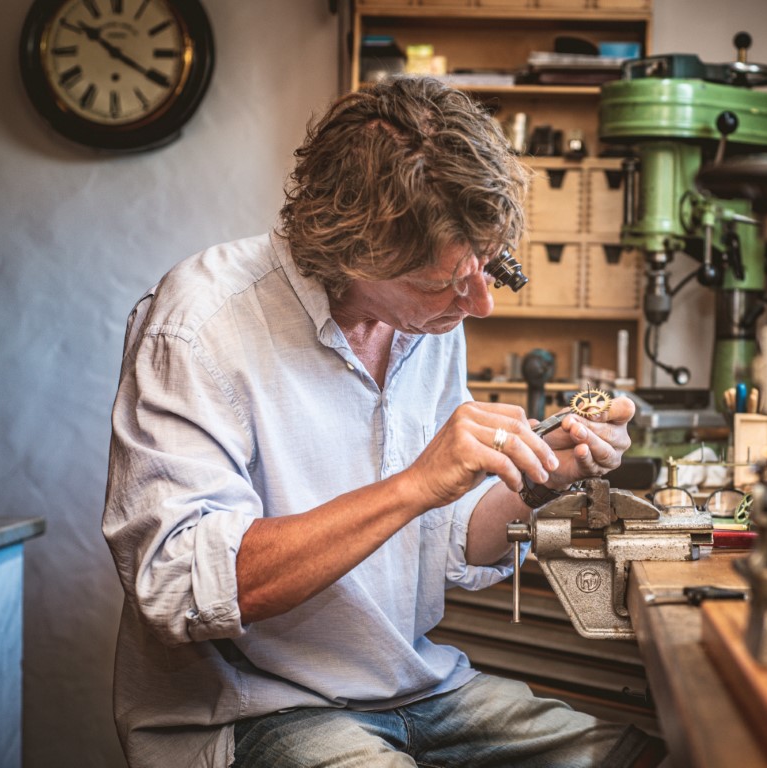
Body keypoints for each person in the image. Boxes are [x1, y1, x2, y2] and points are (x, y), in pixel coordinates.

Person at [103, 76, 662, 767]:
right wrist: (417, 483)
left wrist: (552, 471)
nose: (481, 304)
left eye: (485, 268)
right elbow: (180, 587)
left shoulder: (426, 322)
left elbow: (450, 539)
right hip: (257, 707)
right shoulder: (198, 327)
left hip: (416, 691)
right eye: (444, 283)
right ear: (350, 249)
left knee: (648, 758)